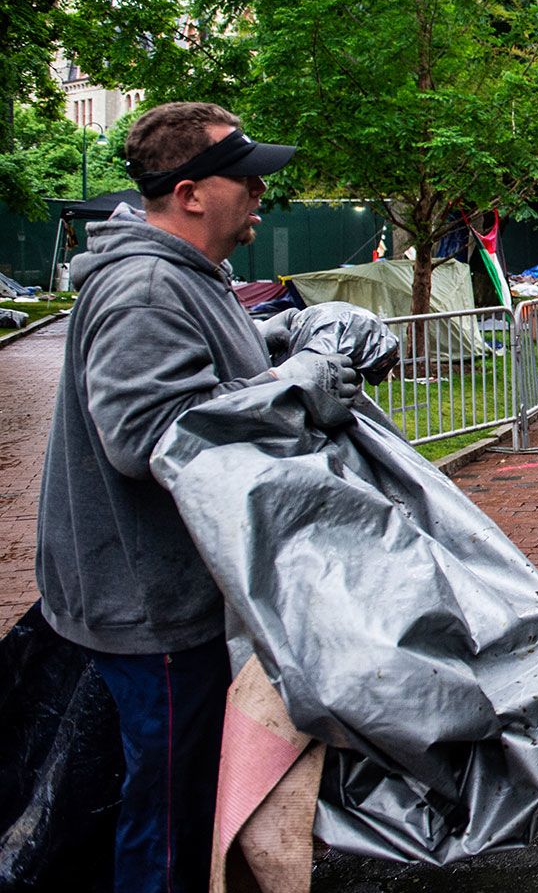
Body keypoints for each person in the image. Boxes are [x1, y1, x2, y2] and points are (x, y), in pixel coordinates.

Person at [34, 101, 364, 893]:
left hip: (162, 597)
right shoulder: (146, 288)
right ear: (189, 193)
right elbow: (149, 433)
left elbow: (201, 377)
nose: (259, 191)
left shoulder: (187, 276)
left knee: (171, 803)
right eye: (243, 176)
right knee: (170, 822)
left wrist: (280, 341)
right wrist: (295, 384)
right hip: (154, 610)